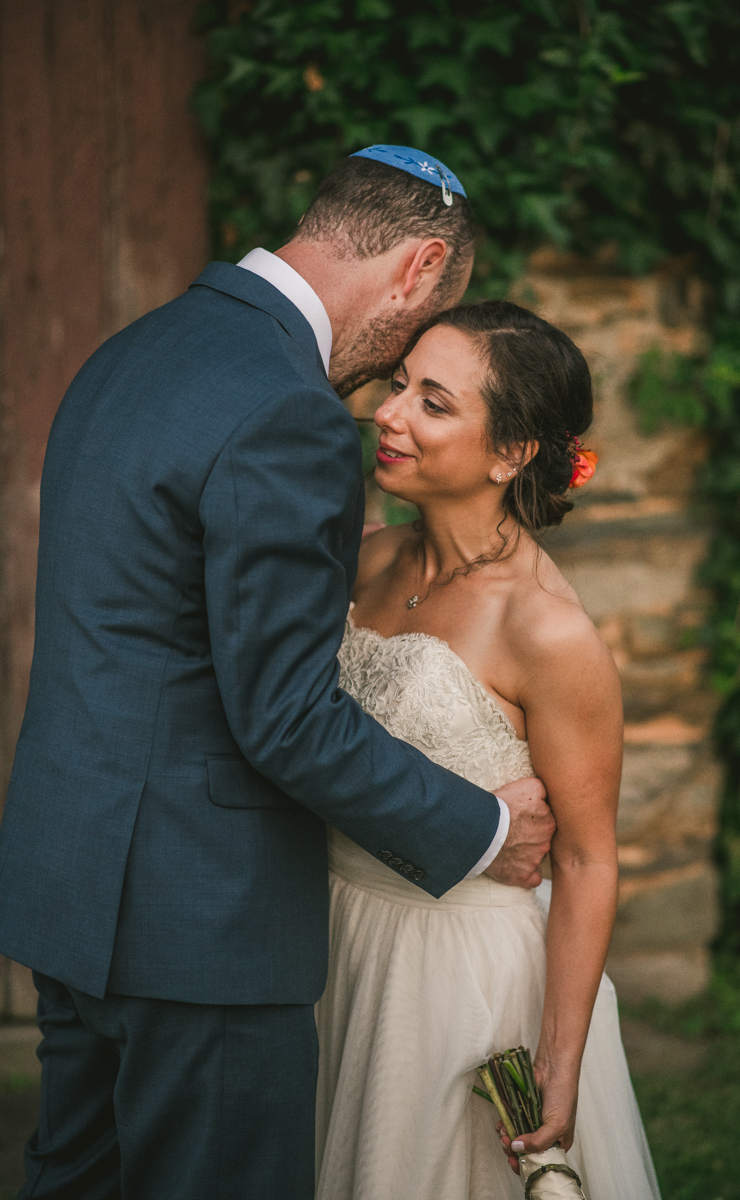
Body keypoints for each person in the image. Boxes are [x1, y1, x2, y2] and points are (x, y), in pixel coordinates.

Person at [0, 149, 554, 1200]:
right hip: (199, 923)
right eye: (414, 343)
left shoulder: (134, 350)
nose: (387, 383)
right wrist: (483, 829)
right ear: (419, 265)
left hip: (71, 887)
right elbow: (287, 715)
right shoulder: (285, 406)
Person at [315, 300, 662, 1200]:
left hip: (459, 980)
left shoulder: (549, 632)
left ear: (510, 454)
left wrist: (560, 1054)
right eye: (399, 387)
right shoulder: (367, 561)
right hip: (334, 934)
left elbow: (587, 857)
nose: (389, 414)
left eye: (434, 403)